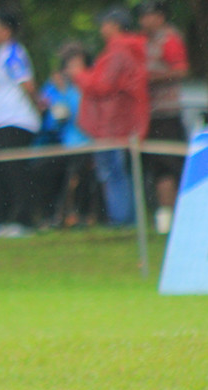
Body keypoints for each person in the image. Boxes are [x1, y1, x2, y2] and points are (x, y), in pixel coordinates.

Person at [69, 6, 149, 226]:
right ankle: (126, 218)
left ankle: (122, 220)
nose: (101, 28)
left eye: (104, 24)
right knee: (119, 172)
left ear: (115, 26)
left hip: (112, 124)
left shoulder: (119, 51)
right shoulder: (127, 50)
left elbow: (103, 85)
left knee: (113, 173)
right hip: (120, 123)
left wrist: (79, 74)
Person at [0, 7, 42, 238]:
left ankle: (24, 221)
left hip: (17, 122)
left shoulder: (14, 53)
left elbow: (27, 85)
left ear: (6, 31)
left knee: (16, 173)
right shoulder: (1, 54)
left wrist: (38, 109)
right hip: (2, 123)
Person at [138, 0, 189, 234]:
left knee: (170, 164)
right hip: (149, 113)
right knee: (158, 166)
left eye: (149, 15)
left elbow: (180, 70)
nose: (144, 20)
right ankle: (164, 217)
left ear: (160, 17)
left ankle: (178, 214)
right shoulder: (143, 41)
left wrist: (150, 77)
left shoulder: (169, 39)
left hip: (167, 113)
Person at [35, 43, 99, 228]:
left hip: (87, 142)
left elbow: (83, 115)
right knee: (53, 174)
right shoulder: (58, 88)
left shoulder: (88, 86)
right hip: (66, 144)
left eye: (77, 65)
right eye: (70, 65)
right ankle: (58, 216)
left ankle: (82, 215)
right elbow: (54, 121)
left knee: (80, 178)